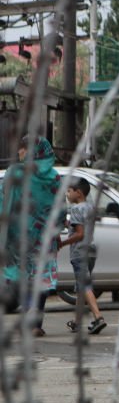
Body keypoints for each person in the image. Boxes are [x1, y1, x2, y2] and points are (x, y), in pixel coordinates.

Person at [0, 136, 62, 337]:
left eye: (22, 149)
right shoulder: (54, 177)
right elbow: (61, 210)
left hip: (19, 236)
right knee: (41, 276)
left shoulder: (15, 172)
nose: (19, 153)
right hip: (44, 237)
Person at [60, 177, 106, 335]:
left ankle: (98, 317)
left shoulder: (76, 209)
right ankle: (77, 322)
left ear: (78, 193)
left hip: (79, 252)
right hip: (90, 250)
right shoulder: (89, 207)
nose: (67, 194)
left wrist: (62, 244)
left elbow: (79, 234)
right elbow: (80, 227)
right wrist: (67, 224)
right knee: (80, 288)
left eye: (69, 191)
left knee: (84, 286)